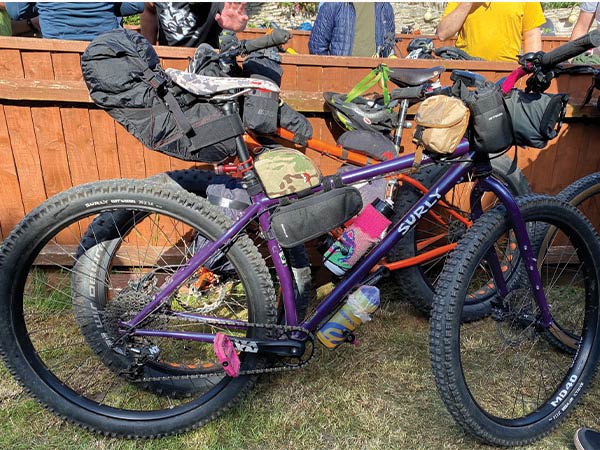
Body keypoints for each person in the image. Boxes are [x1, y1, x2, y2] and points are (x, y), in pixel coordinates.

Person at [435, 2, 546, 62]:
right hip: (467, 72)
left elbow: (531, 35)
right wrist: (467, 3)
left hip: (506, 74)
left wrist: (533, 68)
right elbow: (443, 33)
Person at [5, 2, 144, 40]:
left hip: (56, 60)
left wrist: (46, 7)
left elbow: (16, 12)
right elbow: (135, 6)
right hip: (107, 55)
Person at [140, 2, 248, 48]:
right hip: (168, 64)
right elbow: (149, 7)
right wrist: (149, 50)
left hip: (205, 64)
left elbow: (231, 14)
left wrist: (238, 25)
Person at [308, 2, 396, 57]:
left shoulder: (385, 7)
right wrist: (333, 73)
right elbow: (317, 46)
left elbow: (389, 45)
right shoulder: (333, 4)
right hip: (341, 77)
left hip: (375, 78)